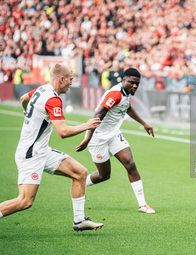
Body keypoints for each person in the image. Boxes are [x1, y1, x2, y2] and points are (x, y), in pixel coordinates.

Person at [0, 64, 104, 232]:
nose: (71, 83)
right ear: (61, 79)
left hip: (40, 150)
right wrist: (87, 125)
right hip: (31, 154)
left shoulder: (43, 89)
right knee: (25, 201)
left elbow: (23, 99)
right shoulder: (53, 99)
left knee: (80, 173)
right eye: (70, 79)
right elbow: (62, 132)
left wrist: (27, 112)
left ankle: (79, 221)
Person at [76, 68, 156, 213]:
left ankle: (142, 205)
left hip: (113, 135)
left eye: (137, 83)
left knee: (130, 164)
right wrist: (88, 138)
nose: (135, 86)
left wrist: (144, 123)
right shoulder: (115, 94)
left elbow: (127, 107)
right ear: (123, 80)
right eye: (132, 83)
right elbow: (97, 115)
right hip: (98, 138)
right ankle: (79, 184)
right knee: (104, 175)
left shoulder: (126, 93)